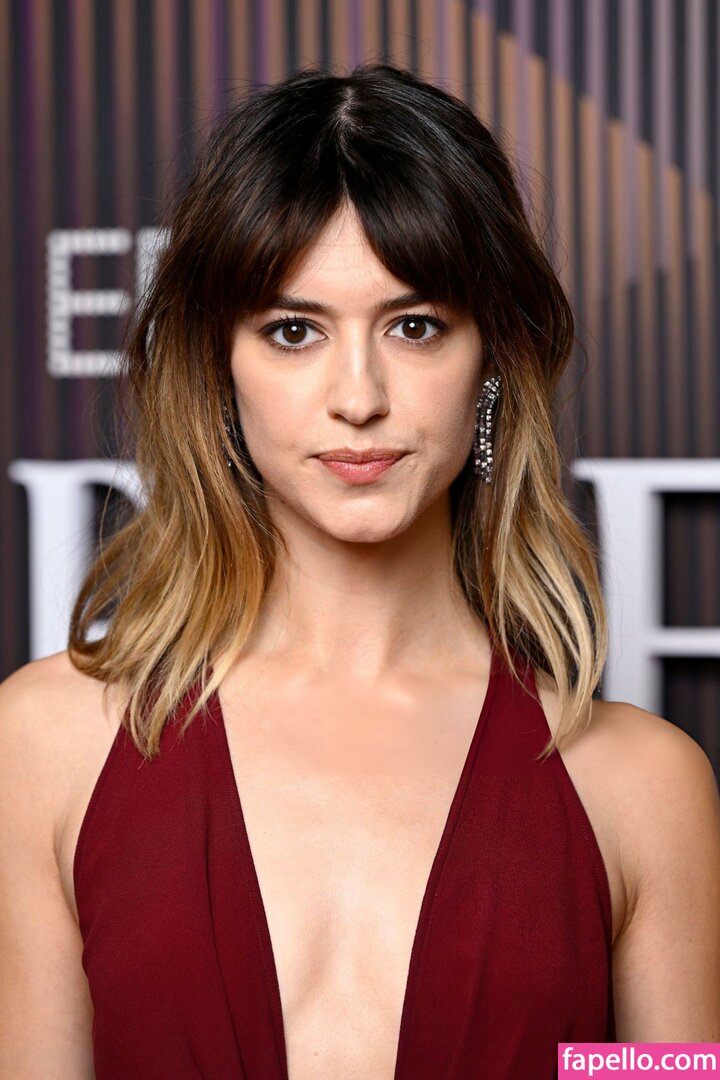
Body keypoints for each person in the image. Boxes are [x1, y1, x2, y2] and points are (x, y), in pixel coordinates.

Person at [1, 62, 719, 1080]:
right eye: (293, 331)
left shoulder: (645, 790)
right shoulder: (44, 746)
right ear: (219, 365)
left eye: (414, 327)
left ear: (492, 359)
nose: (359, 396)